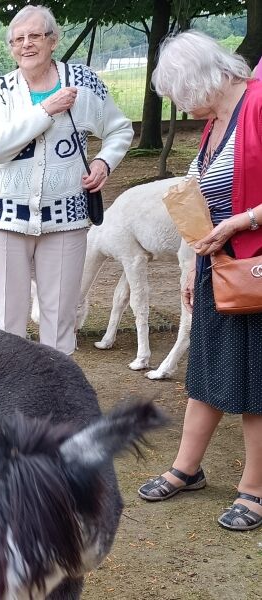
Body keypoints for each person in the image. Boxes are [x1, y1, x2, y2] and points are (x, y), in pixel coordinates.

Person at [137, 31, 262, 532]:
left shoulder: (257, 106)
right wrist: (194, 266)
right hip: (219, 268)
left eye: (177, 94)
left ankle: (254, 488)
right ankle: (187, 468)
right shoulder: (215, 124)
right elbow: (203, 201)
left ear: (200, 78)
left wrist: (246, 220)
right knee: (206, 374)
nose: (178, 107)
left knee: (256, 385)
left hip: (254, 270)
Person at [0, 5, 132, 355]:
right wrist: (46, 109)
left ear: (53, 40)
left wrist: (104, 163)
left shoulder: (84, 82)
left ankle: (58, 401)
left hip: (66, 217)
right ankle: (9, 398)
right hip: (7, 217)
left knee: (60, 318)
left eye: (35, 36)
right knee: (7, 321)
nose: (26, 45)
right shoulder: (0, 89)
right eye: (18, 39)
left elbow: (120, 129)